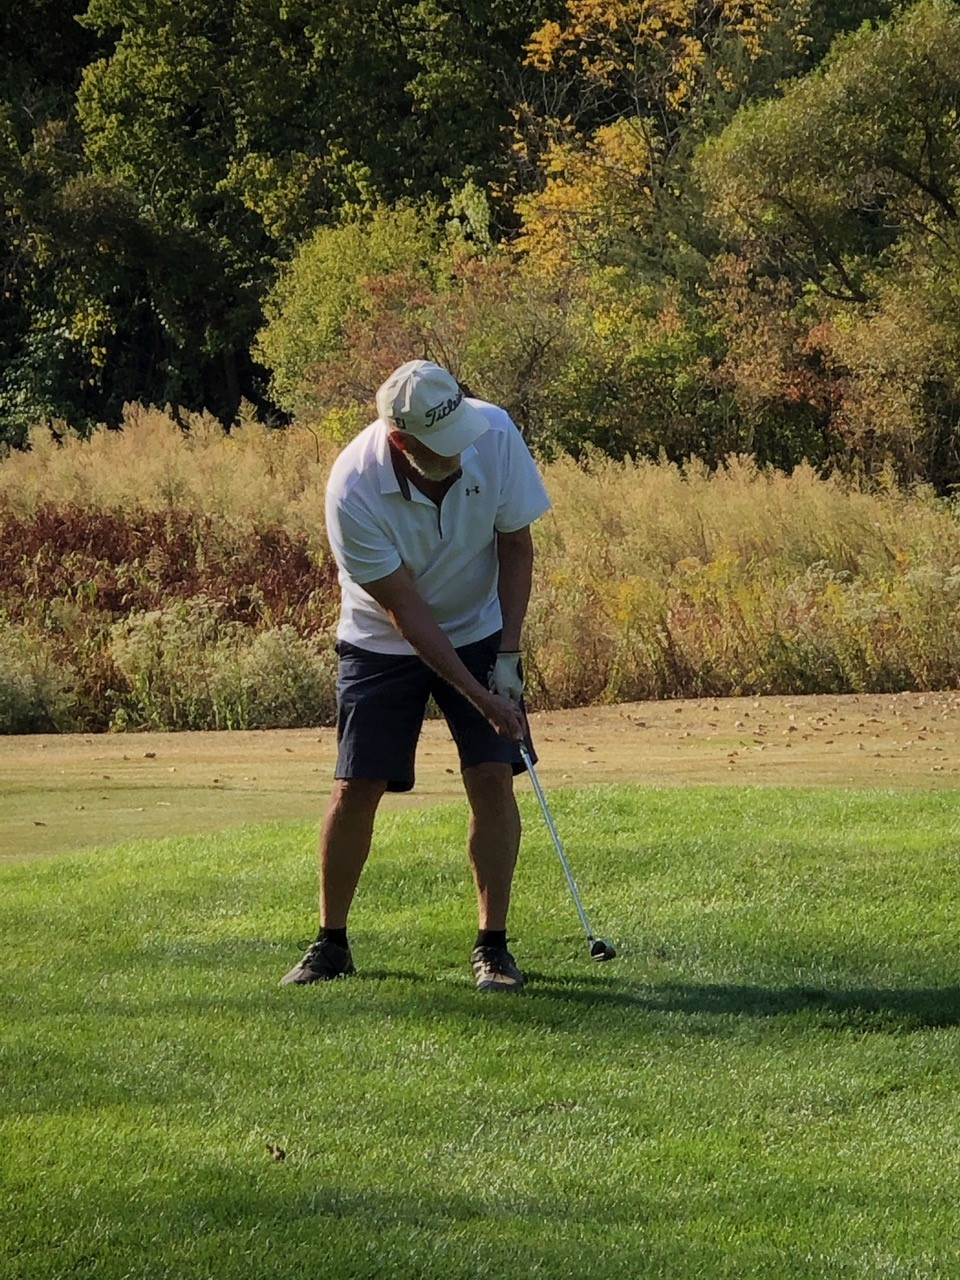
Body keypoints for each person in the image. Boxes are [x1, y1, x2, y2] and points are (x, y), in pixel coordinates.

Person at [280, 359, 551, 992]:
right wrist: (479, 696)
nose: (458, 454)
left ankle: (492, 947)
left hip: (479, 627)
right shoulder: (353, 486)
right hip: (380, 639)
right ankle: (331, 943)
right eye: (441, 445)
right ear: (401, 440)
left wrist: (508, 655)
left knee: (493, 776)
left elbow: (516, 545)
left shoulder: (493, 432)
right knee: (357, 784)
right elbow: (407, 613)